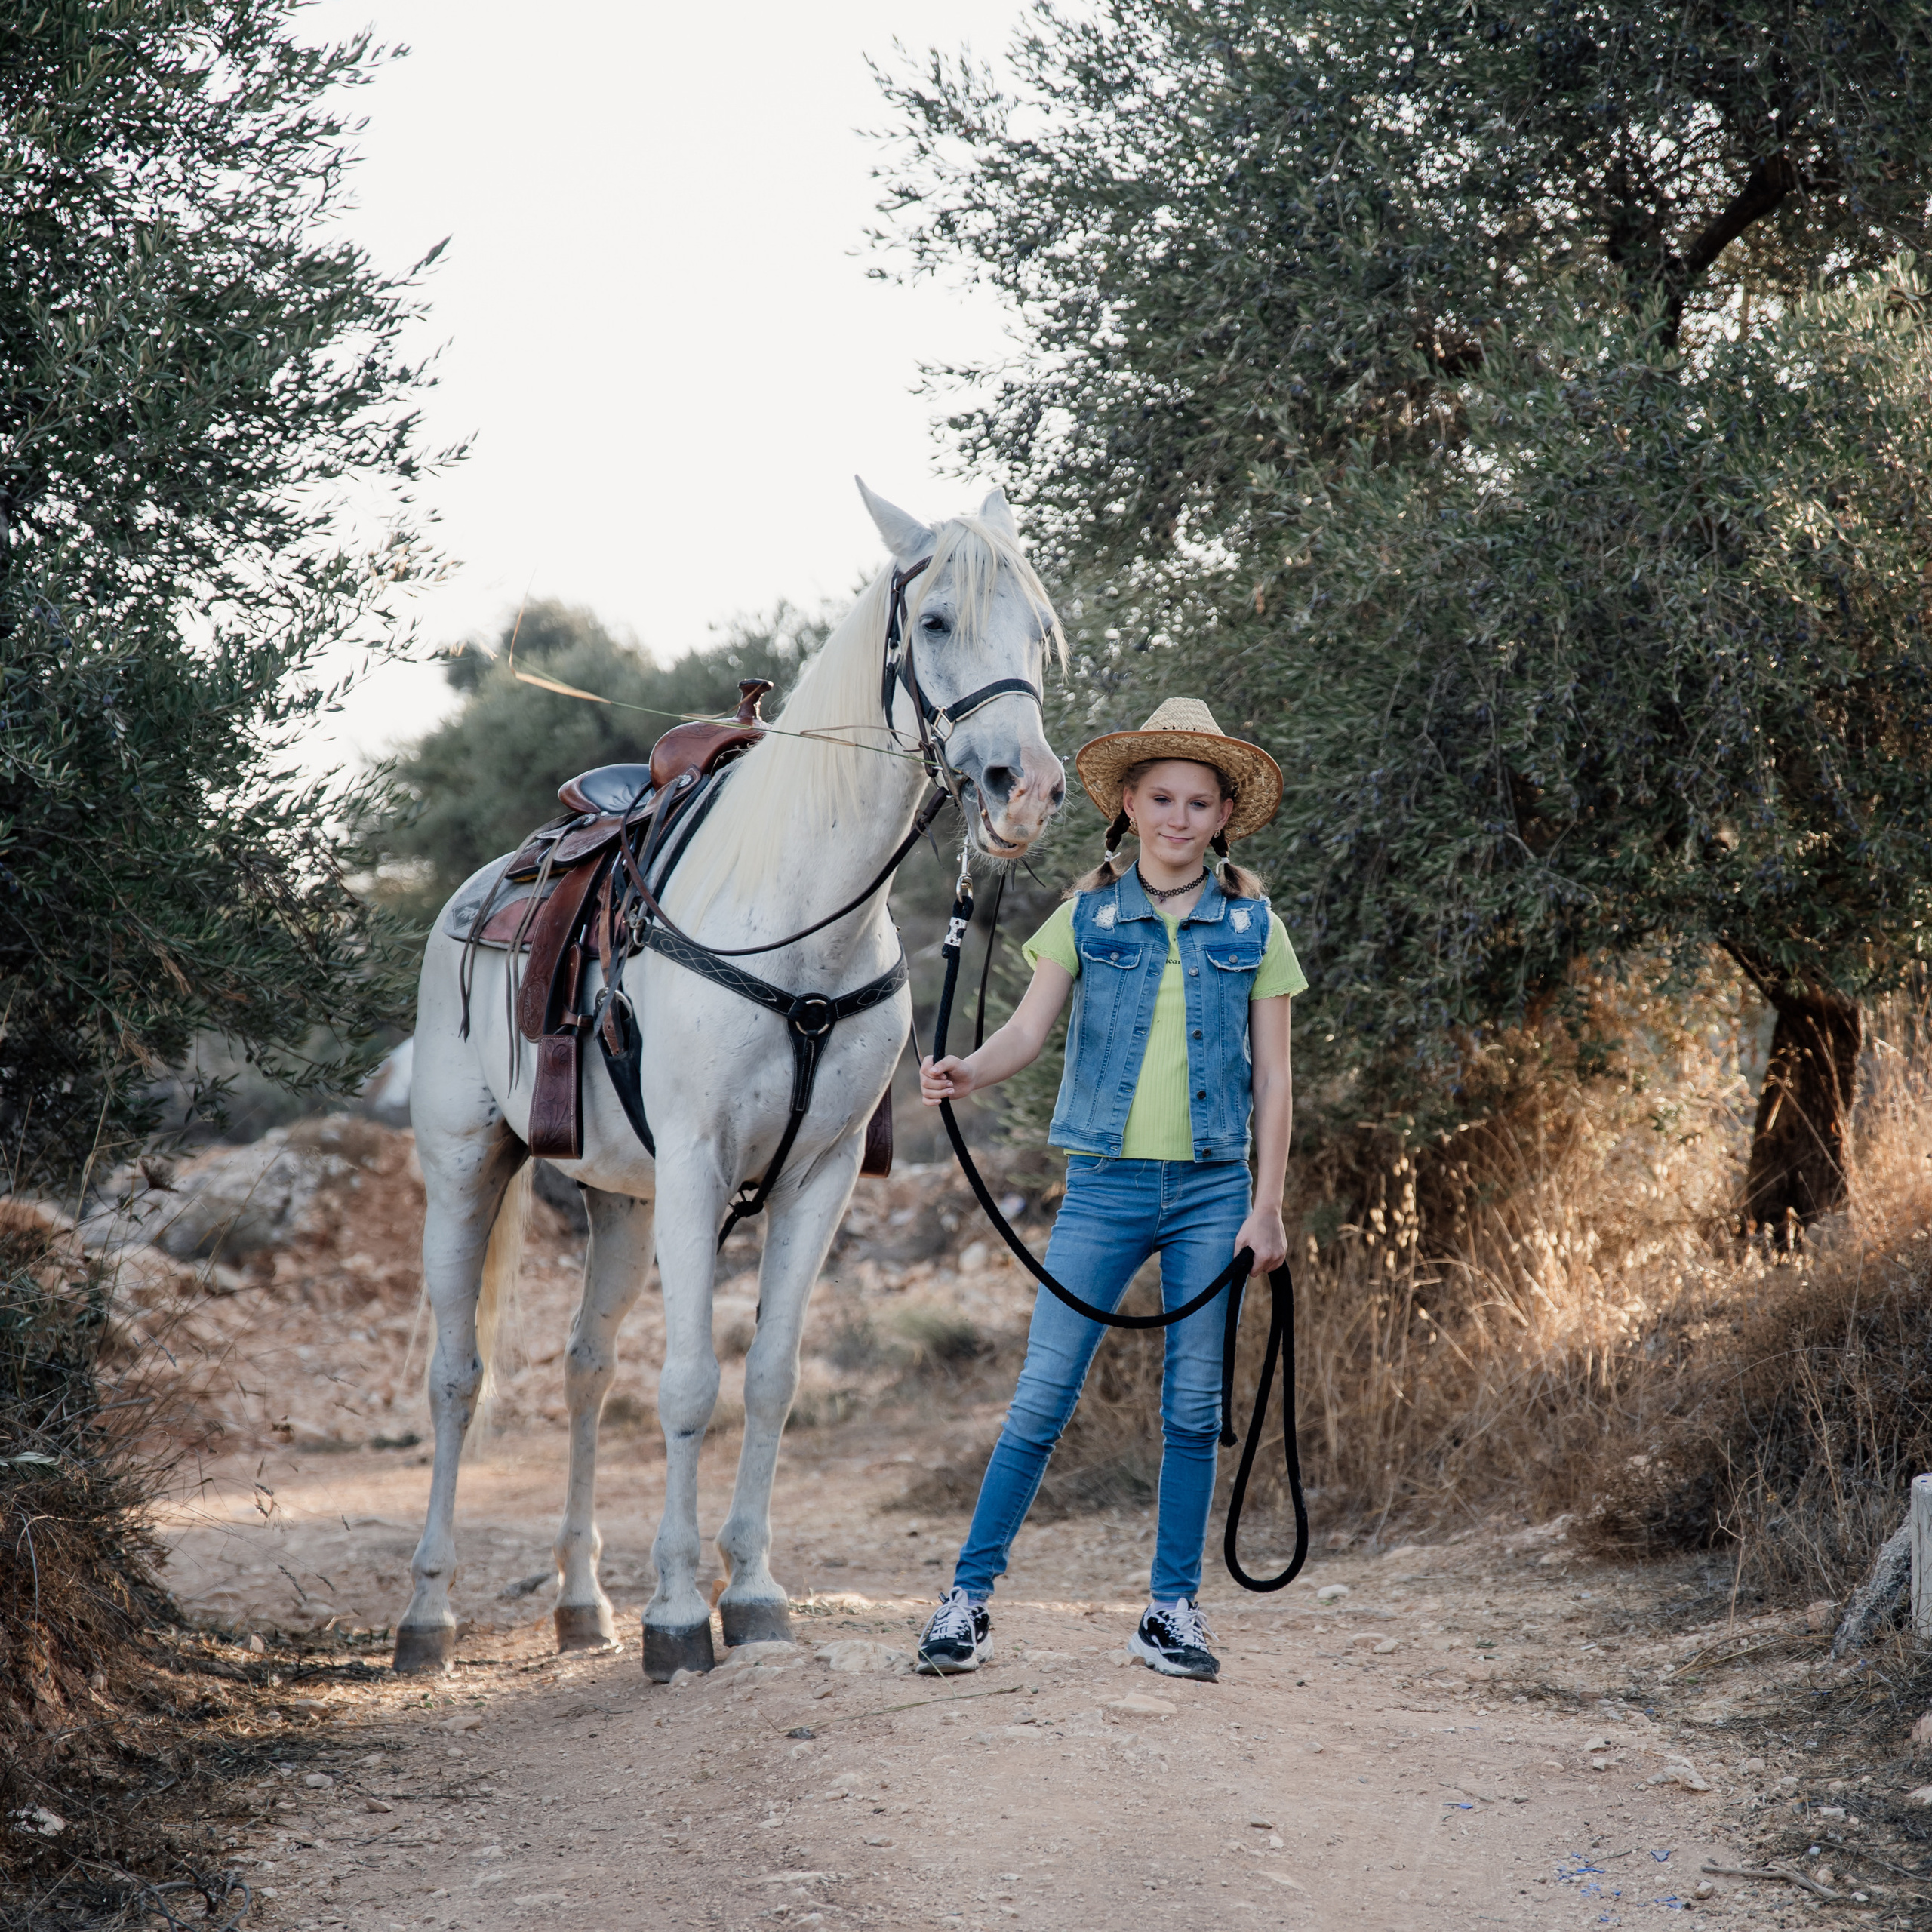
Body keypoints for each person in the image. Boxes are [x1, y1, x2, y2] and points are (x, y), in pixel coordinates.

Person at [914, 698, 1304, 1682]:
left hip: (1216, 1193)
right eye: (1161, 797)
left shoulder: (1256, 925)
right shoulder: (1084, 918)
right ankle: (967, 1600)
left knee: (1192, 1405)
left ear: (1223, 818)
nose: (1178, 816)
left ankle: (1171, 1610)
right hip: (1104, 1191)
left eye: (1198, 802)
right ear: (1129, 806)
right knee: (1042, 1397)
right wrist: (967, 1069)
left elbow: (1276, 1079)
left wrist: (1267, 1206)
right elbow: (1027, 1034)